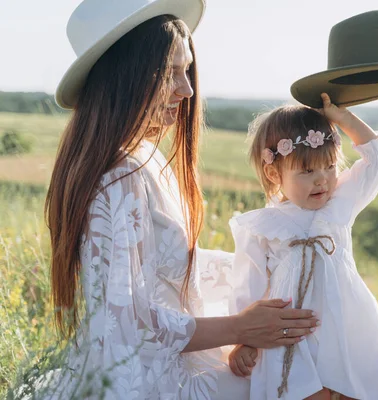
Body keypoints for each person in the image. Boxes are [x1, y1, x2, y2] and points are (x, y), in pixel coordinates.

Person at [44, 0, 318, 398]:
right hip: (153, 380)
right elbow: (127, 323)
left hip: (175, 358)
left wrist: (274, 259)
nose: (187, 89)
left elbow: (171, 270)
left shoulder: (144, 156)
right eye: (170, 73)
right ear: (126, 76)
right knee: (310, 380)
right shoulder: (117, 177)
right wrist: (240, 326)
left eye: (186, 70)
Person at [226, 93, 378, 400]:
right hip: (291, 332)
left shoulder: (341, 202)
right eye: (307, 171)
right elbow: (248, 286)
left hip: (346, 324)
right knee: (299, 388)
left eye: (329, 166)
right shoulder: (262, 225)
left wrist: (342, 118)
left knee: (359, 385)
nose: (322, 181)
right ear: (275, 174)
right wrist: (244, 339)